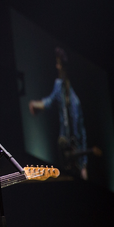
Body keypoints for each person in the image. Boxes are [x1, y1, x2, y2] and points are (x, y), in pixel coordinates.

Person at [28, 47, 89, 180]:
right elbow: (49, 102)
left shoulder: (75, 99)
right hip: (64, 148)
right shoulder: (58, 85)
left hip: (75, 152)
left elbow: (81, 131)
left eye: (58, 64)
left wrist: (84, 165)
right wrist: (36, 104)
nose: (56, 66)